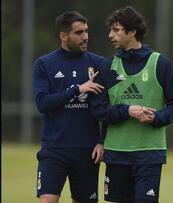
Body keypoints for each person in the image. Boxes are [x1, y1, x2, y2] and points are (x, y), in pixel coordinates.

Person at [89, 6, 173, 203]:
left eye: (116, 30)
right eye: (111, 30)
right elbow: (99, 110)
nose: (110, 35)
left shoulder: (160, 64)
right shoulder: (107, 67)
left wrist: (156, 118)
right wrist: (128, 111)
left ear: (132, 32)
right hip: (116, 154)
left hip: (149, 155)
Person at [33, 10, 105, 203]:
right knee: (47, 200)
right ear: (63, 36)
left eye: (86, 31)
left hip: (87, 150)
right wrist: (77, 89)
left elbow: (108, 108)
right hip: (54, 148)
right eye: (79, 33)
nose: (86, 37)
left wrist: (102, 140)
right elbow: (42, 103)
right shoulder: (44, 64)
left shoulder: (99, 64)